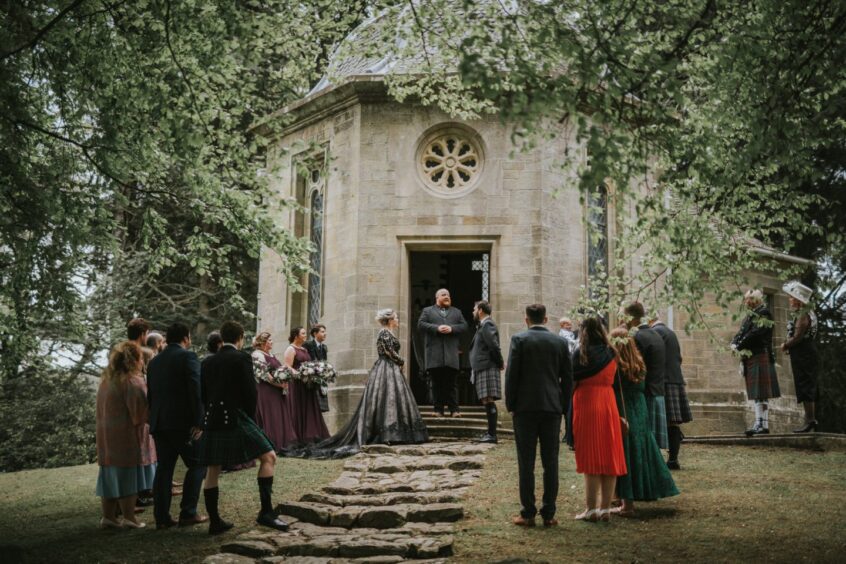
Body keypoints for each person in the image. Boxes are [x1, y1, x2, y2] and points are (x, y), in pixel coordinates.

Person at [284, 309, 429, 458]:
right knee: (385, 398)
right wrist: (401, 361)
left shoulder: (389, 333)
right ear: (390, 320)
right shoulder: (384, 333)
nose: (398, 320)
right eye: (396, 318)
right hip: (386, 368)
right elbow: (388, 351)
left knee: (393, 399)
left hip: (391, 368)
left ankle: (397, 432)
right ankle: (387, 433)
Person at [198, 321, 289, 534]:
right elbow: (250, 392)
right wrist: (248, 416)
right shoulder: (241, 357)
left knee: (213, 468)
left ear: (222, 337)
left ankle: (214, 521)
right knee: (269, 457)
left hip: (212, 418)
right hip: (236, 416)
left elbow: (203, 394)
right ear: (240, 338)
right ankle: (266, 513)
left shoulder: (207, 362)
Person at [506, 304, 572, 528]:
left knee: (526, 462)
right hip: (551, 408)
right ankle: (549, 513)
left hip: (525, 408)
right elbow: (567, 379)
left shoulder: (519, 340)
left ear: (527, 320)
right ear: (545, 319)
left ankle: (527, 513)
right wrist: (563, 406)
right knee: (550, 462)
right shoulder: (560, 342)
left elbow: (512, 375)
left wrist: (511, 404)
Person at [609, 327, 679, 517]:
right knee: (641, 448)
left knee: (626, 451)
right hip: (640, 408)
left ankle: (626, 504)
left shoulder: (616, 364)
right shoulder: (638, 362)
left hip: (623, 408)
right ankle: (626, 497)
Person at [146, 323, 208, 530]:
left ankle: (162, 517)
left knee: (164, 469)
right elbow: (195, 389)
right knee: (198, 463)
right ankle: (188, 513)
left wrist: (152, 418)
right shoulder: (188, 357)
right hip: (182, 423)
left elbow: (151, 395)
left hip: (160, 422)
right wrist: (199, 421)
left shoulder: (154, 362)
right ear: (186, 337)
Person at [570, 316, 627, 522]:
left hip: (586, 403)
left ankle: (591, 509)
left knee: (590, 457)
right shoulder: (612, 352)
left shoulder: (580, 354)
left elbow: (572, 382)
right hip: (608, 403)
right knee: (610, 455)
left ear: (583, 332)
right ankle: (604, 509)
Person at [95, 341, 156, 529]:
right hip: (126, 436)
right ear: (135, 359)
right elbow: (140, 414)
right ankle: (130, 518)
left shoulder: (107, 380)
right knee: (128, 476)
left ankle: (108, 517)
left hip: (107, 436)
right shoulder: (132, 381)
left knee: (111, 476)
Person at [731, 289, 780, 436]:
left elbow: (756, 334)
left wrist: (738, 346)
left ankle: (762, 424)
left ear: (755, 300)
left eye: (748, 299)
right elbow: (741, 333)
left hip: (760, 355)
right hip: (752, 356)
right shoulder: (750, 317)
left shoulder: (764, 313)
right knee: (758, 394)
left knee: (761, 393)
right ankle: (760, 423)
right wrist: (733, 343)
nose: (746, 302)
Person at [649, 313, 693, 470]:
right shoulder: (670, 332)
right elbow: (678, 358)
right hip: (675, 379)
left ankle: (663, 460)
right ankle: (673, 459)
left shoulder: (656, 332)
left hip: (664, 381)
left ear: (650, 320)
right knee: (672, 423)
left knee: (660, 421)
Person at [418, 288, 469, 418]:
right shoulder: (427, 311)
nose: (447, 297)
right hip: (434, 354)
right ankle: (438, 410)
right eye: (444, 295)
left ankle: (454, 410)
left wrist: (452, 328)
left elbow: (464, 327)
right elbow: (421, 325)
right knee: (436, 384)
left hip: (451, 355)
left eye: (448, 295)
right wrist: (436, 328)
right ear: (437, 298)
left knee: (452, 384)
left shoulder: (457, 312)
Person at [624, 302, 669, 450]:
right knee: (654, 445)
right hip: (658, 392)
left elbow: (635, 368)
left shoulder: (637, 336)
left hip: (646, 394)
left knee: (645, 443)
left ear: (631, 317)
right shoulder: (656, 334)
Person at [781, 281, 819, 433]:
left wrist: (785, 345)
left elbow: (798, 337)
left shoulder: (804, 314)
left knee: (805, 385)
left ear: (798, 299)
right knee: (806, 384)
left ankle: (810, 420)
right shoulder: (807, 312)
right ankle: (809, 420)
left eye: (791, 297)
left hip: (804, 353)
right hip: (806, 352)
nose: (789, 300)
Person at [252, 331, 298, 451]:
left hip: (277, 390)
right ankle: (270, 445)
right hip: (266, 390)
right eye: (270, 340)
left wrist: (285, 379)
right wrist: (279, 384)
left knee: (279, 415)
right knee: (271, 414)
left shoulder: (271, 355)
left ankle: (281, 442)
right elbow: (264, 375)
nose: (272, 342)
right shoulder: (257, 355)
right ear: (263, 342)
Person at [284, 327, 330, 444]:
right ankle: (297, 437)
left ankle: (311, 435)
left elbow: (310, 364)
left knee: (309, 409)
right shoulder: (290, 349)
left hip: (307, 385)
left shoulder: (304, 350)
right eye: (303, 333)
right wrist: (299, 374)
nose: (305, 335)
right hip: (297, 384)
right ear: (296, 336)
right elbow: (287, 366)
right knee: (298, 408)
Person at [470, 300, 505, 444]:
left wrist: (500, 362)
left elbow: (493, 346)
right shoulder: (483, 325)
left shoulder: (487, 324)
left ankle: (492, 434)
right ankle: (490, 433)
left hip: (487, 365)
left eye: (474, 309)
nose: (473, 312)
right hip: (483, 365)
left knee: (488, 399)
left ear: (480, 310)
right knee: (486, 399)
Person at [304, 324, 330, 413]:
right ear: (315, 333)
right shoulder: (307, 344)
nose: (325, 334)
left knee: (320, 409)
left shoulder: (324, 347)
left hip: (320, 380)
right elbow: (304, 361)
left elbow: (324, 362)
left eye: (325, 332)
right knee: (311, 407)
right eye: (322, 332)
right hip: (310, 380)